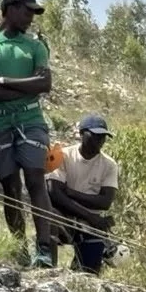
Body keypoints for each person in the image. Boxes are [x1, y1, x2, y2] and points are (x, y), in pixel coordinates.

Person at [0, 0, 55, 268]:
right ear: (10, 8)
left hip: (31, 121)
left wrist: (7, 82)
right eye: (27, 11)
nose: (31, 17)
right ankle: (19, 250)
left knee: (35, 179)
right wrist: (25, 88)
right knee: (10, 186)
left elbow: (45, 84)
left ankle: (44, 249)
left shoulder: (35, 46)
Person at [46, 114, 119, 274]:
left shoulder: (109, 165)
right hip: (65, 215)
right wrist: (89, 215)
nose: (99, 140)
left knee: (88, 274)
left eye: (103, 136)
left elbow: (105, 202)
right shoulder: (63, 155)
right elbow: (54, 193)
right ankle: (47, 268)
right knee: (49, 217)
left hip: (90, 224)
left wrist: (70, 192)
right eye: (95, 135)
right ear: (81, 134)